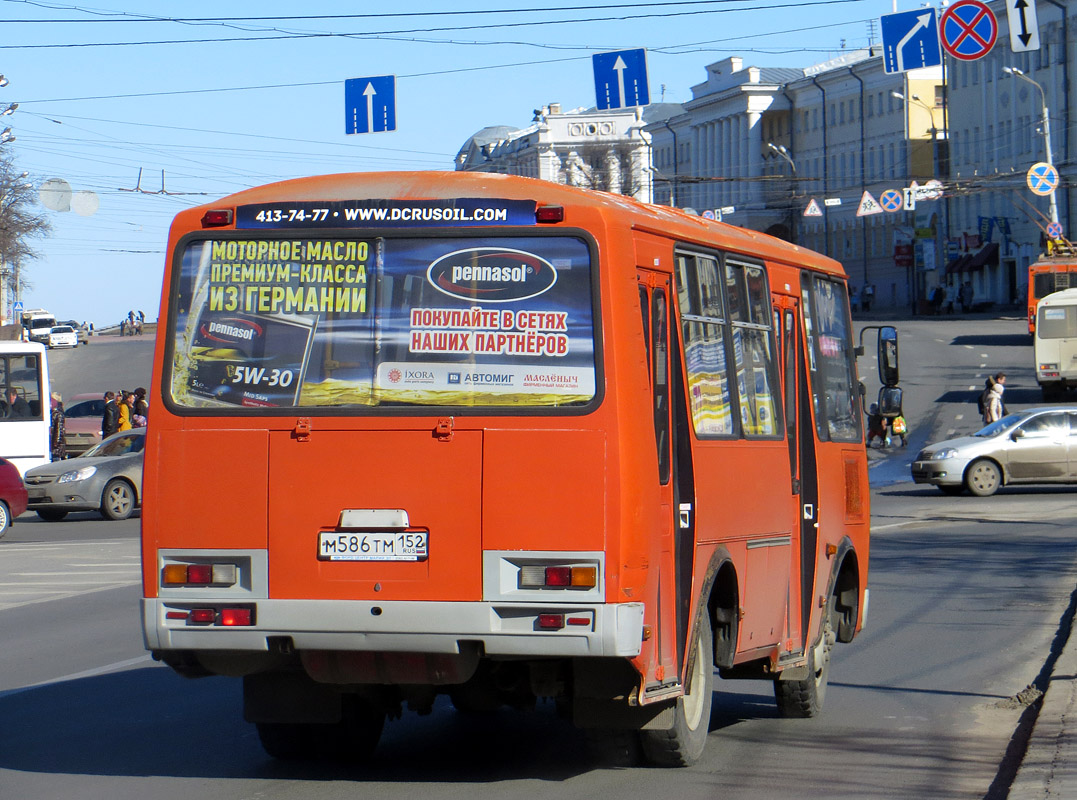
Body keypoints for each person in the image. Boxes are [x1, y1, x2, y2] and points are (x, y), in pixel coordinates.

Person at [49, 392, 66, 461]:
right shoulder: (54, 412)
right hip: (55, 445)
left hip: (56, 447)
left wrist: (56, 444)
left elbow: (59, 429)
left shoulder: (57, 413)